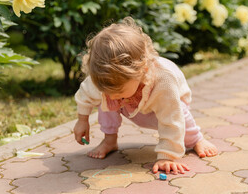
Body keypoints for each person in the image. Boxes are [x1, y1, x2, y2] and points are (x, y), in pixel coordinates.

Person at [73, 17, 218, 174]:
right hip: (130, 106)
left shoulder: (164, 81)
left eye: (119, 91)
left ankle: (197, 139)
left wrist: (167, 156)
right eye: (109, 90)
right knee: (105, 101)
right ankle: (109, 140)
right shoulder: (105, 78)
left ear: (143, 70)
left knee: (180, 117)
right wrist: (82, 121)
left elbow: (172, 119)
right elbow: (85, 94)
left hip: (168, 105)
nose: (113, 96)